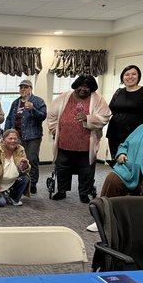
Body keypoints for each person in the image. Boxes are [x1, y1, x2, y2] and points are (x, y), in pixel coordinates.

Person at [47, 75, 111, 203]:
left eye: (87, 87)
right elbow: (52, 114)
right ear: (75, 85)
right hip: (64, 142)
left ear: (92, 88)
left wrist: (88, 118)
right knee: (62, 168)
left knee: (86, 170)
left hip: (86, 144)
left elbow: (105, 116)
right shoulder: (64, 97)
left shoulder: (98, 99)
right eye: (80, 86)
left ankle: (84, 193)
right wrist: (55, 130)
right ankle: (62, 191)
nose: (83, 89)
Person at [106, 65, 143, 167]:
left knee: (131, 162)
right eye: (127, 74)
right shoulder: (118, 92)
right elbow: (109, 109)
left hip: (135, 133)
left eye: (134, 74)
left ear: (138, 76)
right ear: (123, 77)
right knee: (116, 160)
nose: (130, 77)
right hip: (115, 131)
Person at [5, 79, 47, 194]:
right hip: (17, 137)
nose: (23, 89)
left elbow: (43, 116)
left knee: (32, 160)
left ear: (31, 89)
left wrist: (33, 109)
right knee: (17, 161)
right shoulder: (16, 102)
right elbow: (9, 118)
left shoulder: (38, 101)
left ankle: (32, 184)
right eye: (21, 87)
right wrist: (6, 134)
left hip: (33, 137)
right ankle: (20, 183)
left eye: (26, 87)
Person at [0, 129, 30, 207]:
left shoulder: (20, 149)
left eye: (15, 139)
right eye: (10, 138)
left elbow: (26, 168)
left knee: (25, 178)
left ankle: (13, 198)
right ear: (3, 140)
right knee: (1, 203)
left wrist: (25, 166)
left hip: (11, 180)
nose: (13, 141)